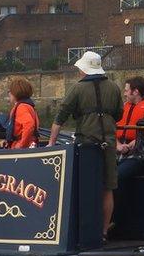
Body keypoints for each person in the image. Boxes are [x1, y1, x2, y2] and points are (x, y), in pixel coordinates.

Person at [47, 51, 123, 241]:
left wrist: (51, 143)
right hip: (110, 143)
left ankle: (85, 231)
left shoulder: (77, 89)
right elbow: (119, 114)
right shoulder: (114, 87)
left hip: (87, 143)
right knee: (108, 188)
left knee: (85, 186)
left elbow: (60, 117)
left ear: (84, 69)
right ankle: (104, 231)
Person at [3, 76, 39, 149]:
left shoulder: (21, 107)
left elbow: (29, 125)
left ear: (15, 92)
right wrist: (8, 141)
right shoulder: (28, 106)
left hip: (22, 146)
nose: (9, 94)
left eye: (10, 91)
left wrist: (22, 145)